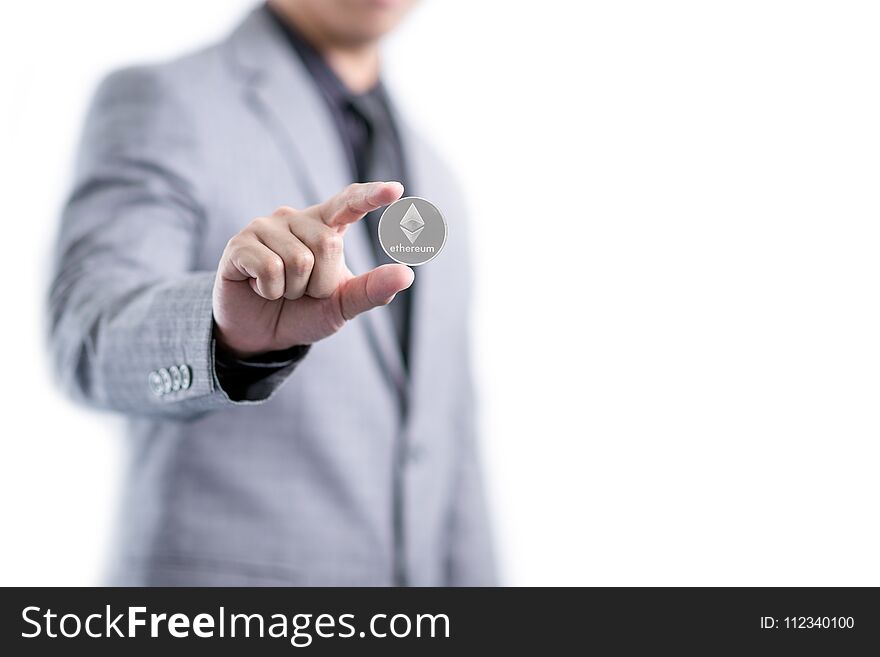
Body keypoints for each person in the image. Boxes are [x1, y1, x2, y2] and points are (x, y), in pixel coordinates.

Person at [48, 0, 496, 586]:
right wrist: (224, 337)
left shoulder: (438, 175)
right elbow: (85, 340)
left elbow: (446, 442)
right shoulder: (164, 100)